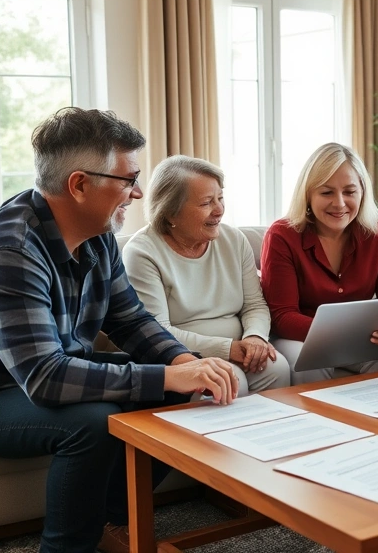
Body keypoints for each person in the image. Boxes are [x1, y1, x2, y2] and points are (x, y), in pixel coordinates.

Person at [0, 108, 239, 553]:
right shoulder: (9, 251)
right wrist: (169, 374)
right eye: (128, 180)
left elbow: (130, 319)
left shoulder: (99, 234)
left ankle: (109, 521)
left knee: (176, 386)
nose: (137, 193)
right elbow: (44, 377)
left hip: (54, 371)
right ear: (79, 184)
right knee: (91, 423)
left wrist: (185, 364)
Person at [124, 155, 290, 395]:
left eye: (220, 198)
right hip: (182, 353)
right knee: (231, 383)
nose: (219, 210)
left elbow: (254, 304)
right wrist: (227, 349)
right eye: (206, 203)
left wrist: (255, 338)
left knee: (277, 368)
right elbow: (156, 330)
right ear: (171, 212)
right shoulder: (142, 252)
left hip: (240, 346)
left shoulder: (233, 240)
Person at [260, 142, 378, 384]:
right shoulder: (282, 235)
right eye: (326, 192)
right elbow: (282, 315)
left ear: (362, 193)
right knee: (310, 357)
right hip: (299, 337)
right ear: (308, 195)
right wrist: (340, 335)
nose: (340, 203)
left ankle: (377, 420)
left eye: (350, 192)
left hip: (359, 337)